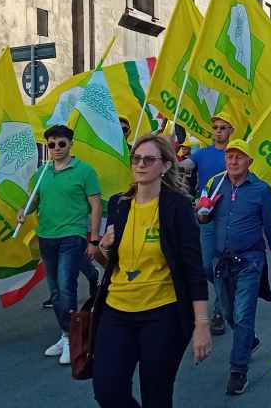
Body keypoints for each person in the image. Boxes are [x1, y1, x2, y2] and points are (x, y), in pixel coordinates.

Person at [91, 135, 212, 407]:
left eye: (149, 159)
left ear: (166, 166)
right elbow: (107, 262)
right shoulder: (119, 204)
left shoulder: (177, 207)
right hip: (116, 311)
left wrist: (201, 324)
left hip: (162, 314)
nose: (141, 164)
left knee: (156, 395)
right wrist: (104, 246)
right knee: (107, 390)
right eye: (136, 158)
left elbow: (194, 269)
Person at [199, 139, 271, 395]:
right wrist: (201, 212)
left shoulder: (261, 189)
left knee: (243, 314)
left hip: (250, 260)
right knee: (227, 313)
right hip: (220, 262)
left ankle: (238, 371)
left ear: (250, 161)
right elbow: (202, 214)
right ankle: (249, 340)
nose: (233, 161)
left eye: (239, 157)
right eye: (229, 157)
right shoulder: (214, 184)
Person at [18, 124, 102, 366]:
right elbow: (33, 200)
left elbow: (95, 205)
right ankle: (66, 333)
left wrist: (94, 239)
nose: (55, 148)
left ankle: (72, 340)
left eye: (61, 143)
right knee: (54, 290)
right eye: (51, 144)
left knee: (67, 286)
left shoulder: (84, 171)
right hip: (46, 235)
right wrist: (23, 211)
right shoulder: (42, 173)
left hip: (72, 234)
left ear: (70, 144)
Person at [190, 113, 234, 336]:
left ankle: (219, 312)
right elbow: (182, 166)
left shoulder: (236, 155)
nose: (219, 131)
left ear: (231, 131)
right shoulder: (201, 154)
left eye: (224, 127)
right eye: (216, 127)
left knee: (218, 263)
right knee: (208, 265)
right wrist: (165, 150)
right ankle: (224, 291)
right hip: (205, 215)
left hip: (228, 217)